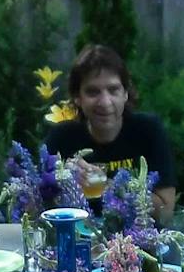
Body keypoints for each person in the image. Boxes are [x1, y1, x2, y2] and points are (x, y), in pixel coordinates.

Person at [42, 42, 177, 222]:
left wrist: (109, 187)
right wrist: (64, 182)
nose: (105, 102)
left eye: (113, 90)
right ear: (78, 98)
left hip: (139, 242)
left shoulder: (148, 131)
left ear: (125, 93)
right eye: (92, 92)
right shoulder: (62, 138)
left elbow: (166, 212)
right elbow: (38, 210)